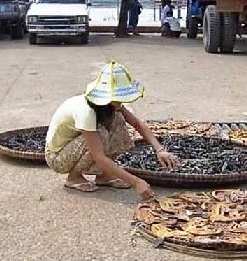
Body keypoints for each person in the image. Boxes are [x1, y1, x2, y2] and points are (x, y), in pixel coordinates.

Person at [45, 61, 180, 200]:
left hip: (75, 145)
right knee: (101, 134)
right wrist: (136, 182)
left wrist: (160, 150)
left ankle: (105, 176)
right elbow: (99, 156)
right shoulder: (86, 111)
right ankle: (73, 178)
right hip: (58, 157)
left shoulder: (110, 105)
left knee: (118, 120)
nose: (121, 102)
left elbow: (137, 123)